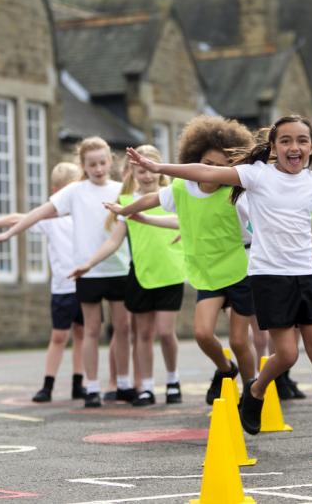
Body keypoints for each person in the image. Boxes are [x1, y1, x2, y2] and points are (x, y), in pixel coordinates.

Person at [126, 114, 312, 448]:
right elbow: (207, 172)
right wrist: (160, 168)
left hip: (304, 276)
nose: (295, 147)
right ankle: (256, 388)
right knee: (288, 355)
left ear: (311, 146)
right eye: (286, 141)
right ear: (274, 147)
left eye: (302, 141)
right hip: (269, 276)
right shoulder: (257, 176)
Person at [105, 116, 258, 406]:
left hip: (240, 269)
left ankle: (251, 394)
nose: (211, 172)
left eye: (221, 168)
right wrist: (125, 211)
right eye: (207, 164)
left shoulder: (237, 197)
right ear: (193, 161)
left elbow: (262, 230)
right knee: (202, 333)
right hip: (207, 272)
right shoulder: (181, 189)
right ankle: (226, 370)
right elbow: (151, 201)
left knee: (239, 341)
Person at [0, 137, 133, 409]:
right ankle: (92, 388)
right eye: (92, 164)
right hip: (86, 272)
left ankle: (123, 384)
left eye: (102, 162)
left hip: (119, 269)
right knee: (90, 331)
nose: (98, 168)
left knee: (122, 328)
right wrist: (8, 233)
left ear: (110, 161)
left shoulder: (122, 189)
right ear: (83, 166)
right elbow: (39, 213)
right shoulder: (74, 192)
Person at [71, 145, 185, 406]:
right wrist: (88, 264)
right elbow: (113, 242)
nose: (145, 176)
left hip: (170, 273)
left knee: (166, 332)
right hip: (141, 275)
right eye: (139, 171)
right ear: (131, 172)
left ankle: (172, 380)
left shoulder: (173, 196)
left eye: (148, 170)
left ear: (158, 169)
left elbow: (188, 224)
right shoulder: (127, 203)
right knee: (142, 335)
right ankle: (145, 386)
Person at [0, 162, 86, 402]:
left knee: (83, 336)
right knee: (59, 337)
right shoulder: (50, 219)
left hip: (86, 285)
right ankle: (48, 385)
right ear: (56, 192)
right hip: (63, 288)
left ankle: (78, 383)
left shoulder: (85, 215)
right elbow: (17, 219)